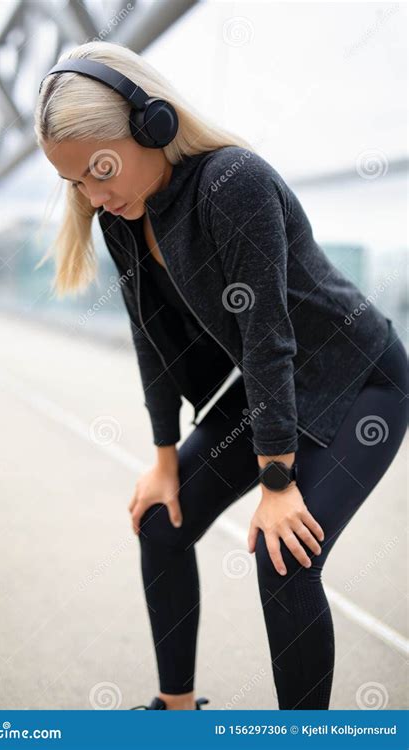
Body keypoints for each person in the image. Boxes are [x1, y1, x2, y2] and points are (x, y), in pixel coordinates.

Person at [34, 41, 408, 710]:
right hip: (280, 385)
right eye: (75, 184)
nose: (92, 196)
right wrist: (162, 458)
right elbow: (151, 341)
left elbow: (268, 340)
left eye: (100, 169)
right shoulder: (122, 216)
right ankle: (176, 713)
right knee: (160, 520)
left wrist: (277, 479)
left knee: (282, 553)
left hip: (362, 379)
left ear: (154, 124)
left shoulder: (232, 184)